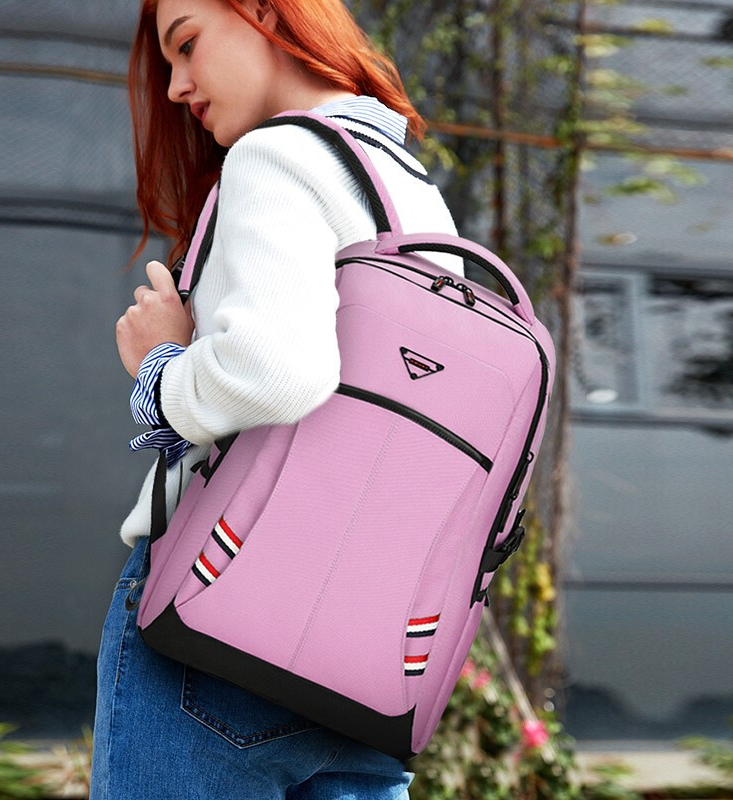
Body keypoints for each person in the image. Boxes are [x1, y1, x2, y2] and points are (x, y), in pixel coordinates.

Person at [89, 0, 463, 797]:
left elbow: (275, 370)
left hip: (217, 619)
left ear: (264, 10)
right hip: (368, 646)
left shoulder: (275, 154)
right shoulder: (409, 186)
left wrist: (160, 366)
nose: (178, 86)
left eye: (187, 44)